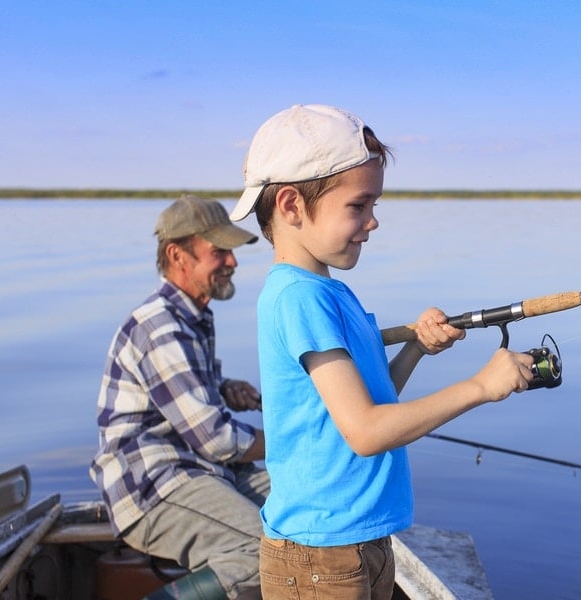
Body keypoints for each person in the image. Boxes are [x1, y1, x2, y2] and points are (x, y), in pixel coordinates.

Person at [229, 104, 535, 600]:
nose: (373, 222)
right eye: (358, 206)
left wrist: (414, 347)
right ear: (290, 206)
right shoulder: (298, 298)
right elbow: (368, 433)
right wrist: (480, 387)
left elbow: (371, 401)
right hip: (319, 556)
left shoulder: (329, 292)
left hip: (356, 540)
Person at [90, 194, 268, 600]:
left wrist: (223, 388)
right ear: (178, 255)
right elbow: (217, 439)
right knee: (265, 552)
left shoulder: (193, 317)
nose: (233, 262)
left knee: (306, 505)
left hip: (199, 467)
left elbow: (183, 395)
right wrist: (295, 442)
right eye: (219, 252)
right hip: (152, 485)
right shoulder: (160, 327)